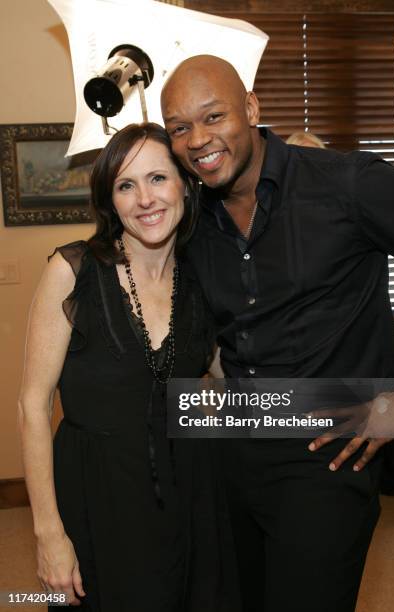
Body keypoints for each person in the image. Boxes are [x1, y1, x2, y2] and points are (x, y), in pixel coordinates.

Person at [160, 55, 394, 612]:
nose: (198, 139)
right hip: (231, 451)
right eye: (179, 128)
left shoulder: (346, 184)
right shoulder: (193, 221)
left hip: (328, 454)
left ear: (251, 108)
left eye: (213, 116)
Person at [18, 122, 228, 612]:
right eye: (125, 185)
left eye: (158, 178)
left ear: (185, 184)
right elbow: (32, 405)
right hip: (98, 502)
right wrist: (48, 532)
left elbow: (220, 381)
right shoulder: (72, 272)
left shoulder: (205, 278)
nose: (145, 199)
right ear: (109, 199)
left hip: (189, 496)